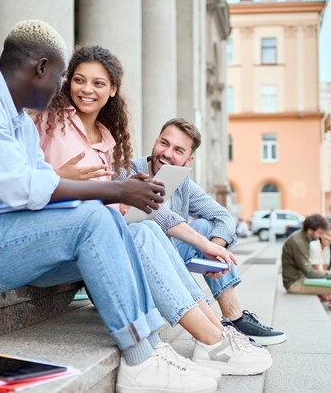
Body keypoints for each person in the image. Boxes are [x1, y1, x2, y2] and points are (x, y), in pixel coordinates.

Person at [0, 21, 219, 393]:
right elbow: (21, 187)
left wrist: (115, 194)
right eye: (65, 76)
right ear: (42, 67)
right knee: (95, 219)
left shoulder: (19, 121)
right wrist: (113, 191)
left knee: (118, 224)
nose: (62, 88)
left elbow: (35, 186)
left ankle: (154, 347)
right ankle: (140, 360)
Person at [33, 45, 272, 376]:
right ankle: (212, 339)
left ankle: (216, 333)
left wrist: (209, 245)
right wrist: (57, 178)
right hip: (56, 241)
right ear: (67, 81)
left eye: (99, 83)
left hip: (94, 241)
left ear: (113, 89)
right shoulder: (48, 121)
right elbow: (21, 178)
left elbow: (147, 209)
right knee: (144, 232)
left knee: (151, 229)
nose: (87, 90)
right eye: (80, 80)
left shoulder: (106, 141)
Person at [121, 118, 287, 346]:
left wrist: (215, 249)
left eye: (178, 150)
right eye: (164, 143)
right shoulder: (129, 170)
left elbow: (224, 217)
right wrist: (203, 245)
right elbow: (158, 214)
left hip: (169, 259)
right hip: (133, 265)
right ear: (155, 142)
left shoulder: (180, 182)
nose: (167, 153)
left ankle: (234, 317)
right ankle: (213, 332)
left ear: (188, 159)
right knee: (166, 230)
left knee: (208, 227)